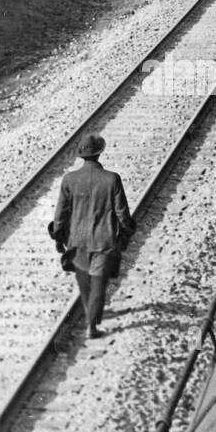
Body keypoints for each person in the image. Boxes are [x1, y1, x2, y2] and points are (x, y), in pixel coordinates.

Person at [50, 133, 134, 339]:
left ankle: (92, 317)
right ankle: (92, 325)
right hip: (103, 240)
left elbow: (60, 215)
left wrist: (59, 238)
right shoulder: (112, 179)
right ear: (99, 154)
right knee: (98, 283)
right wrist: (127, 232)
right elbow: (122, 213)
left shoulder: (69, 179)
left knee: (84, 282)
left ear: (81, 156)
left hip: (77, 241)